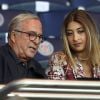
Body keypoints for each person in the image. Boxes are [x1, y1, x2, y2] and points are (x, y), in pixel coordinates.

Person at [46, 9, 100, 80]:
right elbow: (56, 90)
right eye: (70, 34)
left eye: (80, 31)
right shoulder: (59, 60)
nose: (75, 38)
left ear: (90, 32)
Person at [0, 12, 47, 84]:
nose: (37, 41)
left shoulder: (37, 69)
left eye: (40, 37)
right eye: (31, 34)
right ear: (13, 36)